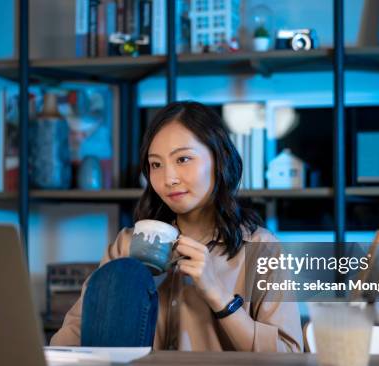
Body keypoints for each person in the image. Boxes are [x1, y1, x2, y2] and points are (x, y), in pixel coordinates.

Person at [50, 101, 302, 352]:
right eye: (156, 164)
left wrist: (218, 295)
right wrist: (125, 284)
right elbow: (68, 342)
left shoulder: (261, 248)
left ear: (219, 159)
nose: (168, 179)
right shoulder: (125, 246)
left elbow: (290, 357)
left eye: (183, 159)